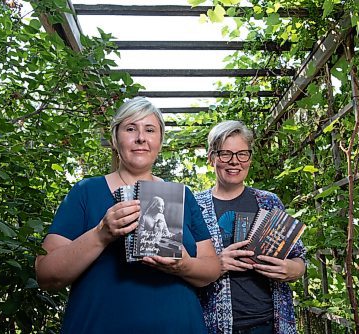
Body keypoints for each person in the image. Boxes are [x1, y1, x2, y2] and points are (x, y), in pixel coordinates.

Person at [35, 97, 221, 333]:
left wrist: (183, 265)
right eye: (131, 128)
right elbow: (46, 275)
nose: (141, 137)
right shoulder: (86, 192)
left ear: (160, 141)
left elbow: (211, 268)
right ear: (115, 139)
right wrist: (101, 234)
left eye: (150, 130)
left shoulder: (182, 195)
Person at [195, 120, 306, 334]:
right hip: (213, 326)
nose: (234, 161)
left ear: (250, 158)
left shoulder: (268, 201)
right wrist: (215, 265)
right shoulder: (196, 206)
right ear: (211, 158)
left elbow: (299, 259)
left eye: (242, 154)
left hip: (270, 324)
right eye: (225, 154)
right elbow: (183, 266)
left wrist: (289, 269)